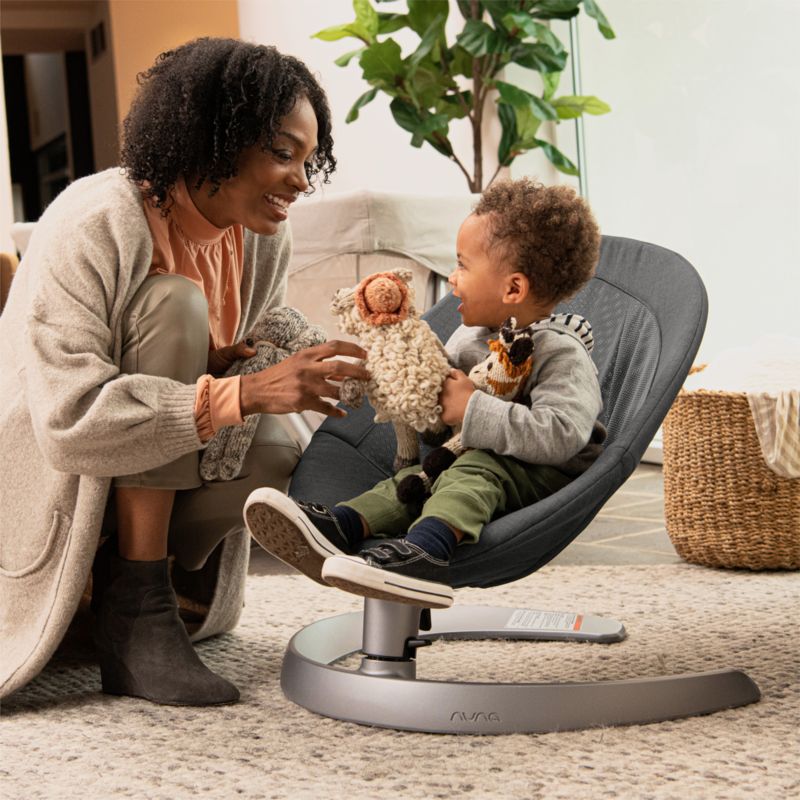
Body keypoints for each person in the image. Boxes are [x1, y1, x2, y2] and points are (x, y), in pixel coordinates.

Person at [0, 37, 369, 706]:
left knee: (281, 452)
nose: (301, 181)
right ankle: (137, 606)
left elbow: (266, 324)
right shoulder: (95, 222)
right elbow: (67, 422)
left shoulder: (261, 235)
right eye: (282, 153)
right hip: (60, 476)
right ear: (214, 139)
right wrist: (241, 391)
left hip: (152, 467)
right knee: (175, 305)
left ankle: (138, 586)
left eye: (308, 160)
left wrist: (371, 369)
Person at [244, 178, 606, 609]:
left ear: (513, 289)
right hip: (468, 457)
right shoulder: (470, 335)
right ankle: (341, 527)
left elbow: (563, 434)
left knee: (474, 471)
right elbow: (440, 419)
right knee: (413, 481)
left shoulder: (561, 352)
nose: (453, 278)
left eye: (463, 266)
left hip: (541, 474)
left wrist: (471, 408)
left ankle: (426, 555)